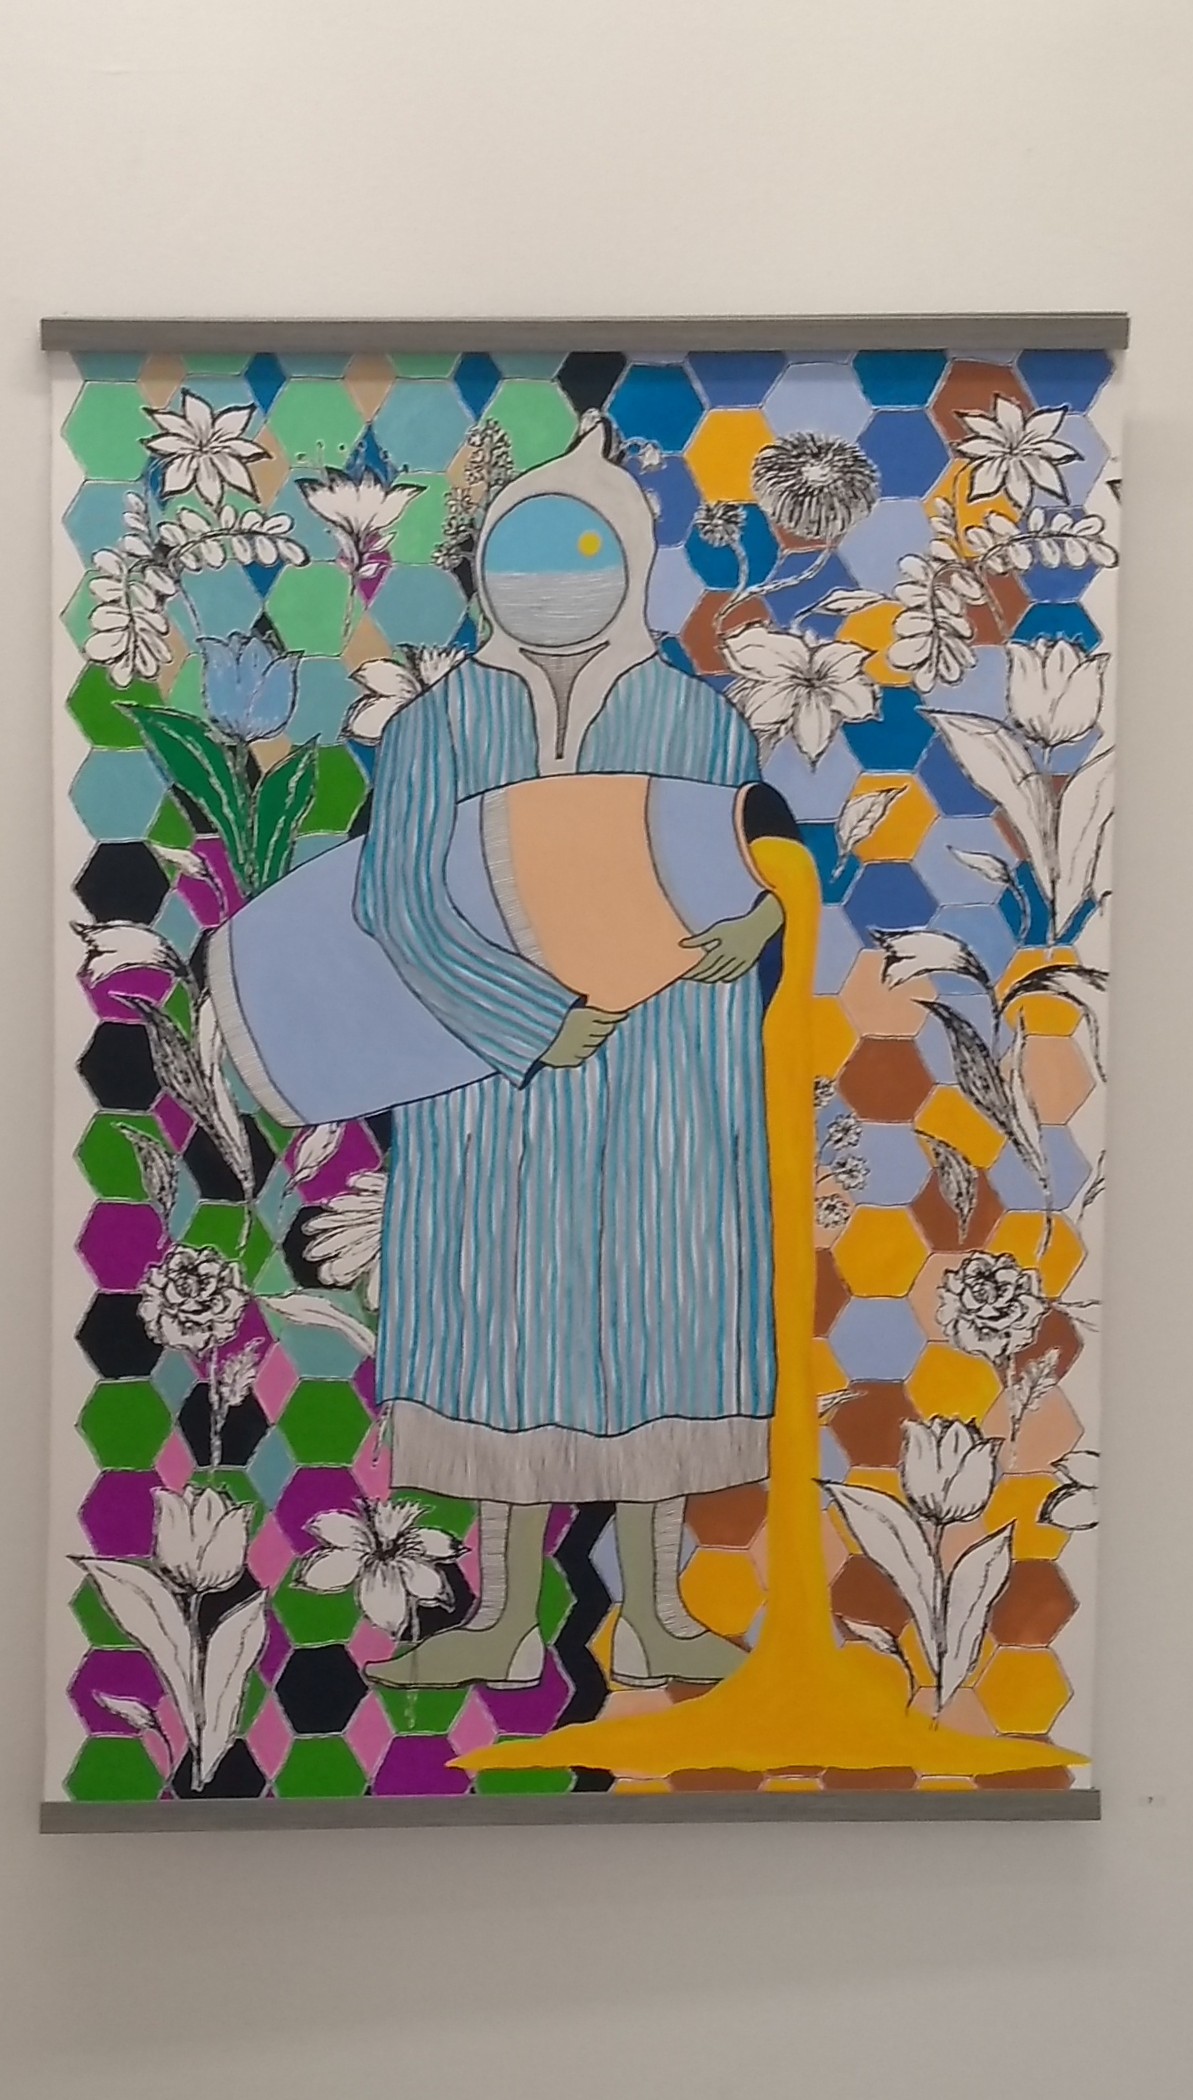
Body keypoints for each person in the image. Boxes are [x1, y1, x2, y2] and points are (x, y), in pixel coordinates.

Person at [352, 417, 784, 1689]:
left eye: (584, 551)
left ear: (633, 561)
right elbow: (397, 902)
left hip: (665, 1081)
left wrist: (759, 923)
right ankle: (501, 1618)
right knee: (502, 1320)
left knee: (657, 1311)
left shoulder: (698, 722)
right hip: (491, 1091)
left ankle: (653, 1611)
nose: (552, 580)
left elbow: (753, 870)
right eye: (525, 551)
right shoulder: (436, 728)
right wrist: (528, 1017)